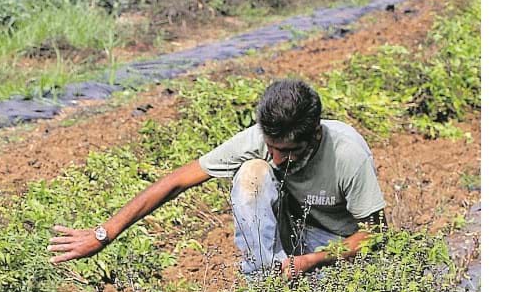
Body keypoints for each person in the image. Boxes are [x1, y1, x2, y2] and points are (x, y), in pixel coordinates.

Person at [48, 78, 387, 279]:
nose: (279, 158)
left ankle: (293, 274)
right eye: (273, 147)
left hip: (336, 245)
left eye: (289, 151)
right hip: (291, 244)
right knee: (252, 173)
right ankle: (266, 285)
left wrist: (313, 260)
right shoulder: (261, 142)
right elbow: (176, 181)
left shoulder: (347, 153)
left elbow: (375, 236)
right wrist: (103, 234)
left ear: (314, 135)